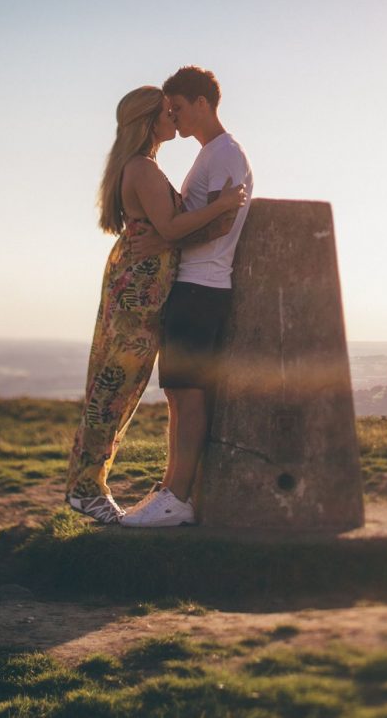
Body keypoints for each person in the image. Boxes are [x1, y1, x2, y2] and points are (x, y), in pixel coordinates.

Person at [65, 85, 247, 524]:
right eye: (167, 112)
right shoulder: (143, 168)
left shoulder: (141, 166)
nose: (174, 118)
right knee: (114, 387)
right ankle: (86, 490)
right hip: (139, 291)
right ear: (150, 121)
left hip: (140, 285)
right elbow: (169, 224)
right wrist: (221, 204)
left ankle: (88, 486)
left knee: (116, 386)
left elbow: (164, 227)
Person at [121, 66, 254, 528]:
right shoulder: (211, 154)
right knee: (179, 394)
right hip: (193, 286)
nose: (172, 117)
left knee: (188, 394)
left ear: (203, 103)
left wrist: (164, 242)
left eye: (177, 108)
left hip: (202, 287)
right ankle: (172, 490)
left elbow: (221, 223)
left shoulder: (226, 155)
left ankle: (177, 498)